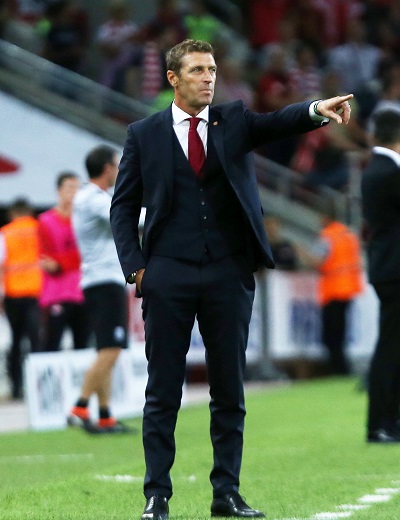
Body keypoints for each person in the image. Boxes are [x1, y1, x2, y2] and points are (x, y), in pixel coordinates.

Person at [110, 39, 353, 519]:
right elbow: (123, 207)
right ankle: (156, 495)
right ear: (173, 78)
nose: (209, 78)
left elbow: (276, 122)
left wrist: (314, 110)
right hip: (168, 273)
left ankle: (227, 492)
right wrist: (136, 268)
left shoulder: (234, 119)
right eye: (198, 70)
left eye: (213, 70)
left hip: (227, 271)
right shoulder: (144, 134)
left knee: (229, 390)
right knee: (163, 390)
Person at [67, 145, 133, 434]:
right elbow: (126, 218)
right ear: (107, 168)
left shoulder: (96, 198)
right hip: (103, 282)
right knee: (111, 349)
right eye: (117, 165)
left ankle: (105, 415)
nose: (119, 170)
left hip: (102, 281)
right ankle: (79, 407)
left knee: (106, 349)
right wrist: (165, 212)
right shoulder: (91, 199)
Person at [361, 110, 400, 443]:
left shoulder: (379, 168)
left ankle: (389, 420)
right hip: (394, 269)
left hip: (388, 267)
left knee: (392, 345)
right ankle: (380, 424)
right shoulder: (388, 172)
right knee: (390, 347)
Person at [296, 205, 364, 376]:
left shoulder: (328, 237)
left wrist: (301, 252)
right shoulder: (349, 234)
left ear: (326, 217)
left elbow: (316, 261)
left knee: (331, 335)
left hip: (333, 289)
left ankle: (338, 369)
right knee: (341, 332)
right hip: (349, 288)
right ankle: (342, 368)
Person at [38, 172, 91, 352]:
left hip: (82, 291)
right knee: (51, 345)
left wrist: (60, 263)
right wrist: (68, 261)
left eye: (77, 188)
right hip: (56, 294)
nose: (74, 192)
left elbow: (85, 254)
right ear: (59, 191)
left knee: (83, 345)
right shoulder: (45, 221)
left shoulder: (86, 220)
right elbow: (45, 259)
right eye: (70, 187)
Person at [0, 198, 42, 399]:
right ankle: (38, 386)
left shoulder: (5, 232)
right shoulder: (39, 229)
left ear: (11, 214)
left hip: (13, 293)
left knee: (16, 341)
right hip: (36, 291)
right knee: (36, 340)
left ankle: (17, 388)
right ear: (30, 212)